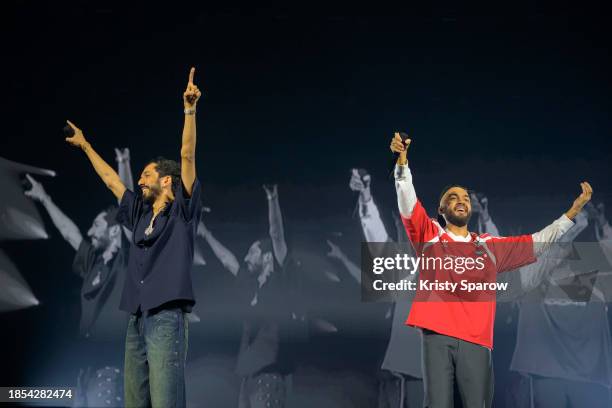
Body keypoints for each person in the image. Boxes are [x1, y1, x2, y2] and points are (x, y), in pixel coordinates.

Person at [389, 131, 593, 408]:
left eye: (465, 197)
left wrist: (571, 213)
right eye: (453, 197)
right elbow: (408, 202)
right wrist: (402, 164)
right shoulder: (430, 236)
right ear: (441, 209)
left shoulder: (488, 246)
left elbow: (536, 243)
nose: (461, 200)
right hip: (437, 333)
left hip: (476, 338)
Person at [64, 67, 203, 408]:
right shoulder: (140, 213)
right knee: (134, 401)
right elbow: (112, 180)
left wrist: (189, 110)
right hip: (136, 319)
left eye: (146, 174)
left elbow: (186, 155)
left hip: (167, 318)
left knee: (165, 402)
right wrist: (85, 146)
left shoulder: (182, 209)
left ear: (167, 181)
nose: (140, 180)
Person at [197, 185, 299, 408]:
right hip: (248, 380)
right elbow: (228, 261)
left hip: (269, 377)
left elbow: (276, 234)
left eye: (252, 251)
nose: (247, 256)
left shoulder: (280, 280)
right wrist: (205, 234)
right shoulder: (253, 286)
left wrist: (272, 198)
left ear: (267, 256)